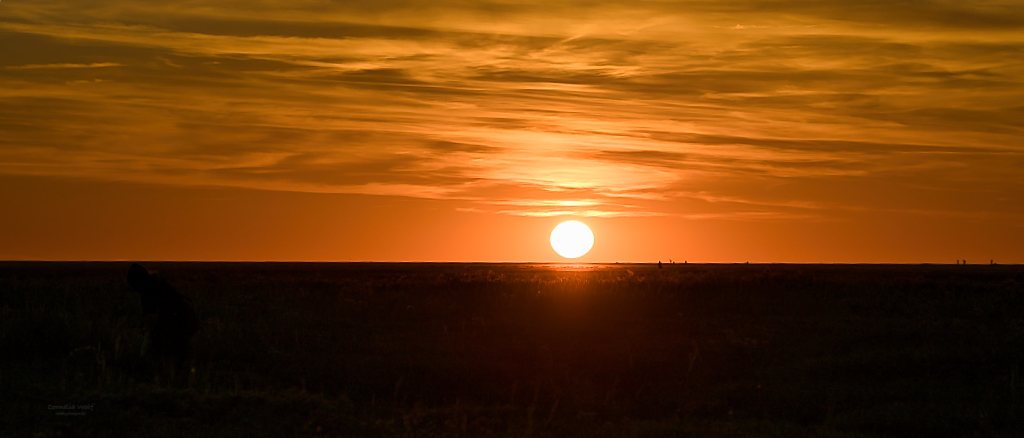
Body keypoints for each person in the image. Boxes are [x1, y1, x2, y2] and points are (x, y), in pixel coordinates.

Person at [127, 264, 199, 364]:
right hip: (174, 325)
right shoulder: (148, 291)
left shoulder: (159, 290)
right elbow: (149, 316)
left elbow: (169, 315)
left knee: (172, 352)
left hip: (181, 324)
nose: (135, 289)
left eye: (135, 285)